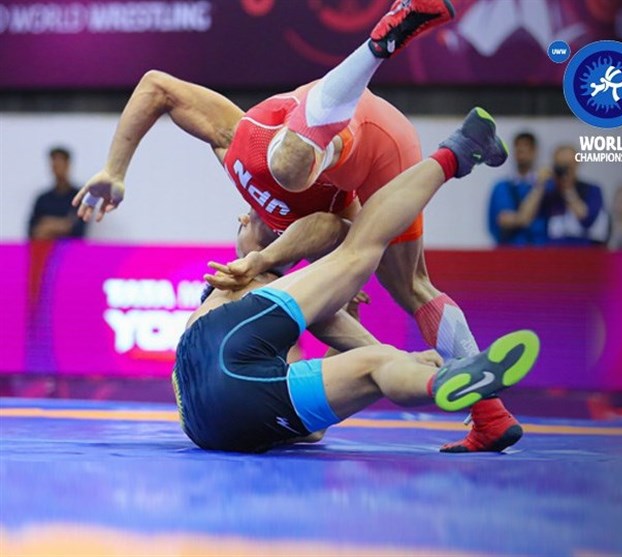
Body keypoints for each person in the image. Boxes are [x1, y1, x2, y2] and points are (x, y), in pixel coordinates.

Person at [73, 0, 522, 453]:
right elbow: (341, 252)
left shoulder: (240, 172)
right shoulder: (287, 273)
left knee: (288, 172)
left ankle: (378, 46)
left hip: (335, 123)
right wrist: (397, 354)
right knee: (412, 291)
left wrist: (115, 170)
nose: (243, 219)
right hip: (243, 403)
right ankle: (490, 414)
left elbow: (156, 86)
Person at [172, 109, 540, 453]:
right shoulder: (244, 277)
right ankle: (455, 153)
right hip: (239, 364)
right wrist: (267, 259)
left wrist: (405, 361)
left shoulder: (239, 303)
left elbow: (313, 429)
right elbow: (333, 230)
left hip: (214, 425)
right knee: (360, 255)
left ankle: (441, 382)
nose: (253, 219)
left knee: (377, 367)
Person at [515, 145, 608, 246]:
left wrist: (568, 189)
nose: (565, 170)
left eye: (569, 165)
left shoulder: (592, 190)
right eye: (560, 165)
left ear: (577, 164)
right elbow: (525, 217)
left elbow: (587, 220)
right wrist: (539, 185)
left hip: (584, 249)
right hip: (551, 249)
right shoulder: (548, 191)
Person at [487, 131, 544, 246]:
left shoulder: (549, 186)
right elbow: (505, 220)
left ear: (534, 151)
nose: (521, 152)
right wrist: (539, 186)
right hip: (510, 249)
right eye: (518, 148)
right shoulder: (502, 187)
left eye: (526, 148)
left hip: (541, 250)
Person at [28, 147, 87, 240]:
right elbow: (32, 231)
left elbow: (79, 229)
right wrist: (62, 224)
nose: (57, 168)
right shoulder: (42, 199)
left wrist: (49, 225)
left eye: (60, 164)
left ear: (67, 165)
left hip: (71, 247)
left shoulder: (79, 197)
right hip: (46, 247)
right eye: (54, 165)